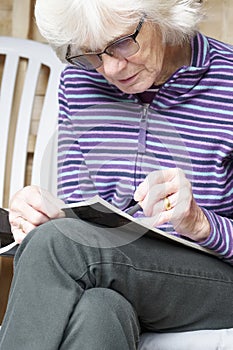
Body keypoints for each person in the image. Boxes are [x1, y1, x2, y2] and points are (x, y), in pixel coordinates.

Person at [1, 0, 233, 348]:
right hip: (117, 270)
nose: (109, 68)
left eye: (121, 42)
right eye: (89, 53)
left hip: (216, 282)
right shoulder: (79, 81)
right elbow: (80, 216)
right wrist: (39, 217)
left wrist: (200, 222)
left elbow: (68, 245)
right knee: (99, 310)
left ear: (164, 14)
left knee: (58, 245)